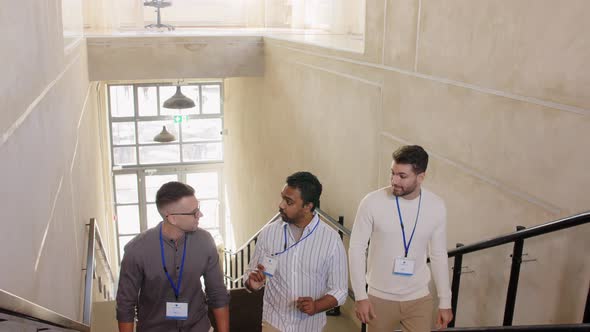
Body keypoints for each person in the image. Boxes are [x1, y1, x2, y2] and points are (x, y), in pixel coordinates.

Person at [349, 145, 453, 332]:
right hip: (379, 298)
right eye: (393, 173)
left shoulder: (436, 206)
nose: (394, 180)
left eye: (402, 176)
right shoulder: (372, 202)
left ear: (421, 177)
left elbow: (438, 254)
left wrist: (445, 301)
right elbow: (356, 248)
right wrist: (360, 296)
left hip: (419, 298)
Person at [116, 181, 229, 332]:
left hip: (198, 327)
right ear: (172, 218)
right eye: (194, 212)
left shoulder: (205, 241)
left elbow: (217, 294)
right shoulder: (136, 251)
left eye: (198, 208)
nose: (200, 215)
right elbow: (125, 305)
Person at [244, 171, 348, 332]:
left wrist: (316, 306)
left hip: (310, 326)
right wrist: (252, 283)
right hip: (273, 323)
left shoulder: (331, 240)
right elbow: (251, 274)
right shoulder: (268, 233)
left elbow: (340, 290)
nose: (281, 205)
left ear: (308, 206)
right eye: (282, 198)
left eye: (289, 202)